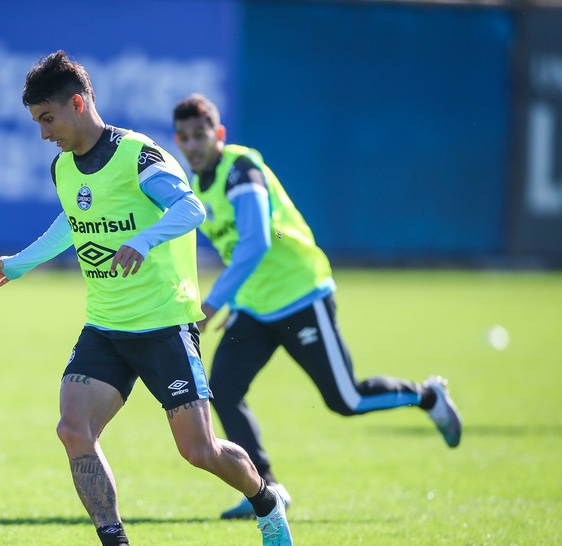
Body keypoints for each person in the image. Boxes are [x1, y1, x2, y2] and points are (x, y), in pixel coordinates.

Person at [0, 52, 293, 546]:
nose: (44, 134)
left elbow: (191, 208)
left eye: (48, 119)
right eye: (37, 124)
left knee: (199, 451)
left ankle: (265, 500)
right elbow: (70, 223)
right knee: (73, 429)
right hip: (105, 326)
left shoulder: (139, 155)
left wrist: (142, 241)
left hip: (165, 324)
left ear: (78, 103)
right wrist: (20, 263)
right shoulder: (63, 168)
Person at [171, 93, 463, 520]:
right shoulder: (197, 183)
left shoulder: (241, 170)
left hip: (301, 296)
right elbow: (242, 253)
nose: (193, 145)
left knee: (346, 399)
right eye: (184, 138)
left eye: (201, 135)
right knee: (225, 389)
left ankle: (427, 396)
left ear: (219, 134)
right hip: (254, 305)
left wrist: (214, 302)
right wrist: (237, 300)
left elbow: (255, 242)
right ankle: (267, 489)